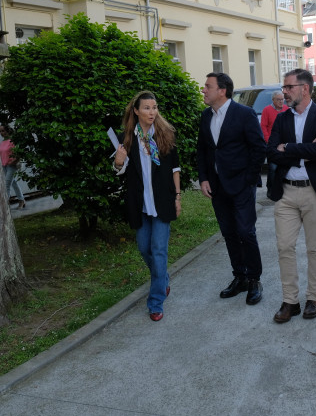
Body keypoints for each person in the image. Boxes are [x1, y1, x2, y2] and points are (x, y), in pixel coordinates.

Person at [266, 69, 316, 323]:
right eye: (284, 87)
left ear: (304, 88)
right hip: (286, 192)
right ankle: (290, 301)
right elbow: (271, 152)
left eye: (289, 87)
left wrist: (289, 148)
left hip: (315, 191)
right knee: (284, 247)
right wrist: (304, 150)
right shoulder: (281, 119)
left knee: (315, 247)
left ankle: (314, 298)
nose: (284, 91)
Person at [197, 72, 267, 305]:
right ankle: (240, 277)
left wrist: (248, 179)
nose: (204, 90)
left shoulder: (244, 114)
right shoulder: (206, 116)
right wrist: (204, 178)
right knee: (228, 233)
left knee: (246, 233)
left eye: (208, 86)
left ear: (222, 91)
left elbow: (258, 148)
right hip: (217, 186)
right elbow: (203, 151)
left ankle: (254, 279)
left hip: (241, 185)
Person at [114, 91, 181, 322]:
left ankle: (155, 302)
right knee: (145, 249)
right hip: (141, 204)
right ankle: (163, 280)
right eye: (147, 108)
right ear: (136, 111)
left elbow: (175, 168)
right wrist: (118, 162)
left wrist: (178, 197)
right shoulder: (126, 138)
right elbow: (120, 170)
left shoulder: (165, 134)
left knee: (159, 250)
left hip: (162, 202)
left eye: (154, 108)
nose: (152, 112)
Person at [0, 124, 26, 209]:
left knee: (6, 185)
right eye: (0, 131)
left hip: (11, 166)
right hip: (4, 166)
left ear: (8, 131)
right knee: (14, 183)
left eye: (3, 131)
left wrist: (13, 162)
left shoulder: (12, 141)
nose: (1, 133)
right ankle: (22, 200)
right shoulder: (3, 142)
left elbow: (18, 154)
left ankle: (4, 206)